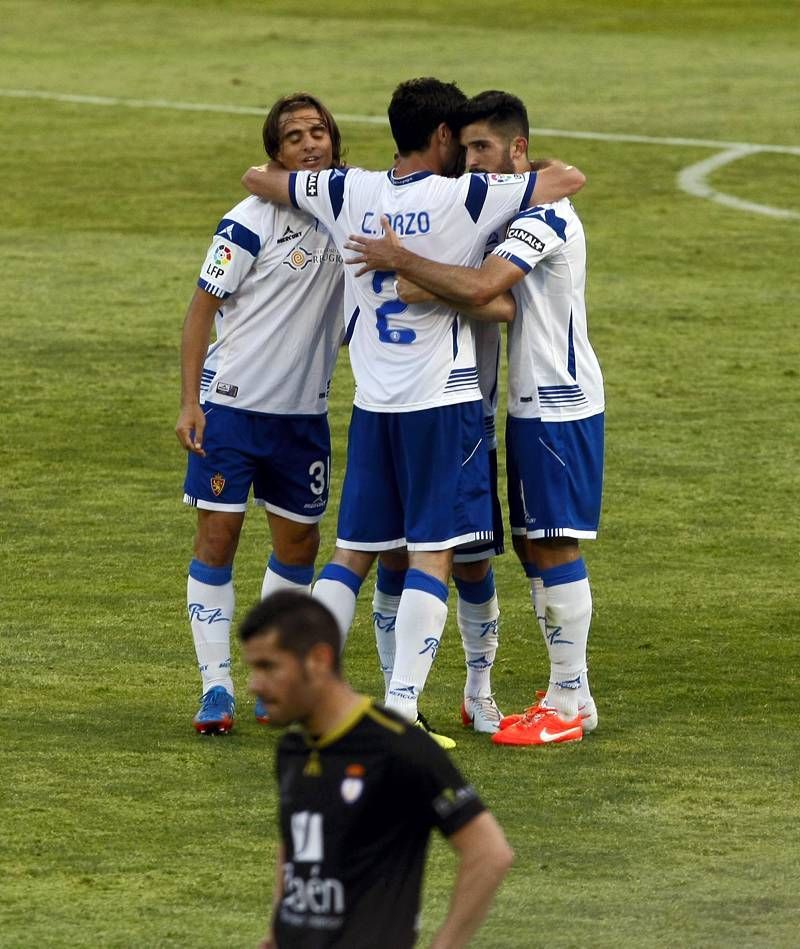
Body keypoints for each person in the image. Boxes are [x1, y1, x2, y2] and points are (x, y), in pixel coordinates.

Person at [241, 77, 585, 744]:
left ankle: (290, 687)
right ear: (441, 137)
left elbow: (262, 180)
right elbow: (566, 180)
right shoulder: (467, 195)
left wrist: (295, 177)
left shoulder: (348, 189)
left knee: (350, 554)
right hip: (443, 404)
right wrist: (517, 162)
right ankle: (400, 707)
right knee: (434, 557)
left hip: (374, 404)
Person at [345, 90, 604, 747]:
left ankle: (570, 698)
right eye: (465, 150)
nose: (472, 161)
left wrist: (407, 265)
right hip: (516, 402)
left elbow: (489, 291)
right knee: (512, 545)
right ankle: (534, 693)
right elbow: (487, 294)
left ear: (518, 149)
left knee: (551, 539)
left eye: (484, 148)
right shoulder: (497, 209)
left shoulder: (541, 215)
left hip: (556, 399)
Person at [175, 93, 345, 735]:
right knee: (218, 537)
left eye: (318, 131)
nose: (309, 143)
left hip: (302, 417)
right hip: (233, 409)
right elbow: (200, 311)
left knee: (298, 544)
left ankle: (269, 681)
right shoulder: (248, 220)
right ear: (276, 152)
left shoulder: (348, 212)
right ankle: (215, 687)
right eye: (294, 136)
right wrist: (191, 402)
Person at [240, 590, 514, 949]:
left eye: (268, 667)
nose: (253, 685)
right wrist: (278, 931)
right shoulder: (293, 749)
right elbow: (295, 843)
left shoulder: (398, 748)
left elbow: (490, 852)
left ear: (318, 660)